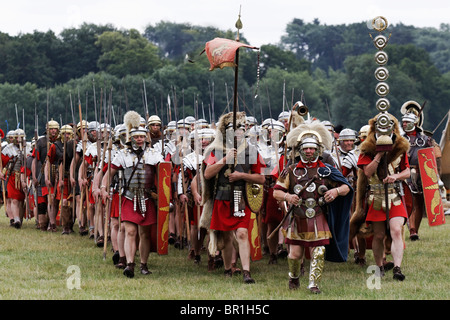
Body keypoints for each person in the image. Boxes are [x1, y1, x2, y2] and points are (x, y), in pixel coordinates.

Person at [273, 120, 353, 294]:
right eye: (306, 148)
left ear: (318, 150)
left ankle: (313, 285)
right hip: (298, 216)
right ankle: (294, 277)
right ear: (300, 150)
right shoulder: (291, 169)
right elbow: (276, 192)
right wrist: (288, 196)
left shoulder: (327, 169)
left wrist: (336, 192)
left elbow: (347, 187)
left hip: (318, 215)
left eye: (312, 148)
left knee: (318, 252)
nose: (309, 151)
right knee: (294, 255)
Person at [201, 111, 266, 284]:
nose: (238, 134)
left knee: (243, 233)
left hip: (240, 198)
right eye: (234, 131)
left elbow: (261, 178)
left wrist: (242, 176)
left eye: (241, 130)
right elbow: (207, 174)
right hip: (222, 198)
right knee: (227, 237)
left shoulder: (251, 151)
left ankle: (246, 272)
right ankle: (228, 268)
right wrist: (224, 159)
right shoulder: (215, 150)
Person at [101, 111, 163, 278]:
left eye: (142, 137)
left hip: (147, 198)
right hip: (129, 197)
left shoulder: (153, 154)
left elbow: (164, 173)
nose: (139, 140)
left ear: (146, 138)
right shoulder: (123, 155)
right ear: (131, 138)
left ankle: (143, 263)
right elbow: (109, 174)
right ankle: (130, 264)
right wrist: (103, 187)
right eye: (136, 137)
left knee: (144, 234)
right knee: (130, 231)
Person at [356, 112, 410, 281]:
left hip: (393, 195)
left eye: (388, 127)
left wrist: (396, 176)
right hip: (376, 197)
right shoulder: (367, 149)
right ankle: (379, 266)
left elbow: (407, 171)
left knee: (395, 231)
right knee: (378, 235)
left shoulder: (400, 148)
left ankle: (397, 268)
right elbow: (367, 172)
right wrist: (379, 154)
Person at [400, 100, 442, 241]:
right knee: (409, 201)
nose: (404, 124)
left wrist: (436, 174)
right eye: (403, 122)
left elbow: (435, 155)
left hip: (420, 175)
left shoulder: (425, 139)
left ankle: (414, 231)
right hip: (404, 173)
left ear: (415, 123)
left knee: (418, 202)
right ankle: (411, 229)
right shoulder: (399, 140)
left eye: (407, 122)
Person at [1, 129, 27, 228]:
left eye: (21, 137)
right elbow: (1, 162)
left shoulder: (27, 148)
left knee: (21, 200)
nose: (19, 139)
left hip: (24, 177)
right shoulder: (8, 149)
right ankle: (15, 220)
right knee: (13, 199)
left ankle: (19, 219)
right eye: (17, 137)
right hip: (12, 176)